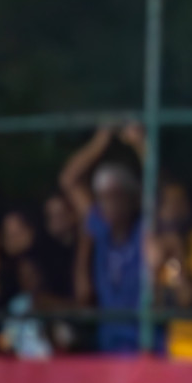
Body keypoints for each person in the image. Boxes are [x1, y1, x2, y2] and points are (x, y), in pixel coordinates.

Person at [59, 123, 146, 354]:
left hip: (145, 343)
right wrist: (101, 140)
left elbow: (158, 187)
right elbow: (70, 180)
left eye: (117, 196)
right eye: (103, 198)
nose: (110, 204)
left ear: (133, 199)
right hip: (109, 344)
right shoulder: (100, 227)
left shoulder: (144, 229)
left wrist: (139, 145)